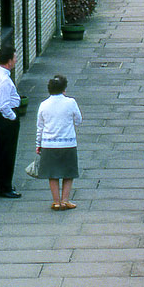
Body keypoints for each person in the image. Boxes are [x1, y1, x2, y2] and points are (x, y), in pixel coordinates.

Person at [36, 74, 81, 211]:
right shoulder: (71, 102)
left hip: (49, 144)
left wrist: (38, 144)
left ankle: (56, 202)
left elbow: (40, 127)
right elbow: (78, 120)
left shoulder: (43, 105)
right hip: (68, 143)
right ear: (64, 89)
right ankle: (65, 200)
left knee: (52, 173)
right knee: (68, 172)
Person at [0, 46, 22, 198]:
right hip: (6, 118)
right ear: (9, 61)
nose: (16, 60)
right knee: (8, 153)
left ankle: (0, 184)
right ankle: (5, 187)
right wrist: (13, 117)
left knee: (0, 151)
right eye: (14, 57)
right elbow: (4, 105)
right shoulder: (5, 81)